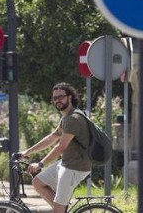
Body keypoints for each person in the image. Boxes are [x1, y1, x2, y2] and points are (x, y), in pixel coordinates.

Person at [16, 82, 91, 213]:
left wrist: (40, 164)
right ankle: (62, 210)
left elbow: (60, 147)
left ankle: (60, 210)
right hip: (66, 163)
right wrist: (27, 152)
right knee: (38, 182)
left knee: (58, 209)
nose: (57, 101)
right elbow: (51, 137)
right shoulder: (66, 118)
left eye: (61, 97)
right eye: (55, 98)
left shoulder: (73, 118)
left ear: (70, 97)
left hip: (75, 167)